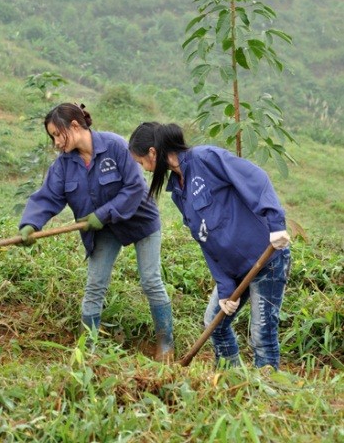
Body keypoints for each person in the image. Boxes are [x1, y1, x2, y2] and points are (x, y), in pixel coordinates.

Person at [128, 122, 291, 370]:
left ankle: (266, 396)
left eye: (142, 162)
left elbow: (255, 177)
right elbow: (205, 240)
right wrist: (225, 288)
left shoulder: (205, 159)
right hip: (235, 271)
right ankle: (230, 379)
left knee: (262, 336)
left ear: (152, 152)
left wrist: (276, 222)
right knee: (215, 324)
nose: (145, 169)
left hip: (265, 260)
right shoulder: (177, 191)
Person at [18, 103, 174, 361]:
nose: (56, 142)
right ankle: (86, 351)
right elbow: (47, 197)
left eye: (58, 134)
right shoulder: (64, 166)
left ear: (76, 126)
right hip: (102, 230)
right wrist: (31, 223)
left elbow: (135, 187)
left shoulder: (115, 146)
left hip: (140, 221)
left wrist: (101, 214)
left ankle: (165, 344)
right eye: (53, 137)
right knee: (94, 286)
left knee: (150, 280)